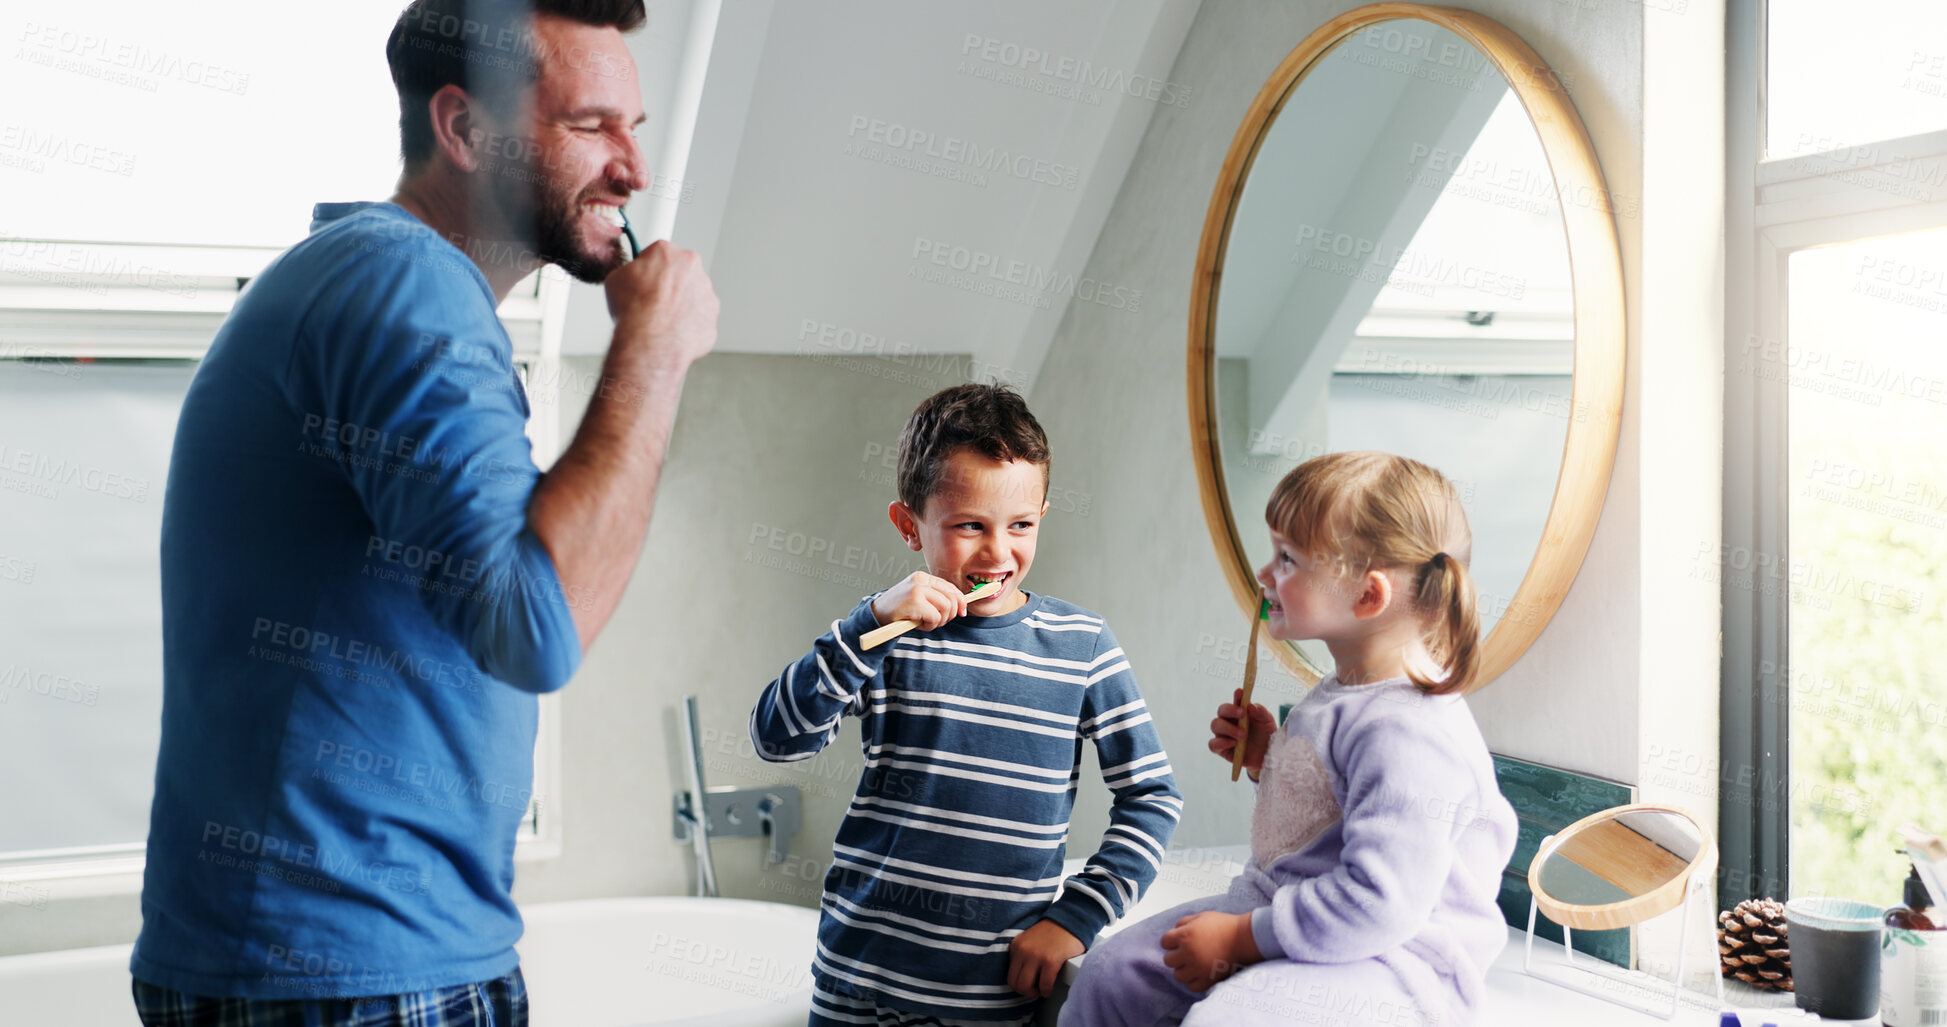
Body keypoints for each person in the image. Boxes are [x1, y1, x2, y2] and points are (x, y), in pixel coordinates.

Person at [129, 1, 719, 1023]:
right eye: (591, 125)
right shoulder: (405, 285)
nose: (632, 169)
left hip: (331, 957)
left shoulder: (367, 283)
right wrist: (655, 352)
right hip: (352, 968)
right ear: (462, 129)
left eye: (637, 129)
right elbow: (535, 627)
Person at [749, 383, 1182, 1025]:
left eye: (1022, 525)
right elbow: (776, 737)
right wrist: (865, 623)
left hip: (988, 998)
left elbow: (1152, 798)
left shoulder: (1082, 645)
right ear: (908, 525)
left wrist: (1079, 914)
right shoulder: (884, 635)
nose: (998, 552)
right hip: (854, 980)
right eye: (970, 525)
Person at [1060, 451, 1517, 1027]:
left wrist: (1241, 939)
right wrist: (1266, 762)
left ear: (1368, 596)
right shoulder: (1345, 689)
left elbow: (1380, 902)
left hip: (1392, 958)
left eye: (1287, 559)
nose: (1263, 574)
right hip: (1291, 914)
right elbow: (1321, 826)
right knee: (1112, 975)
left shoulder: (1410, 731)